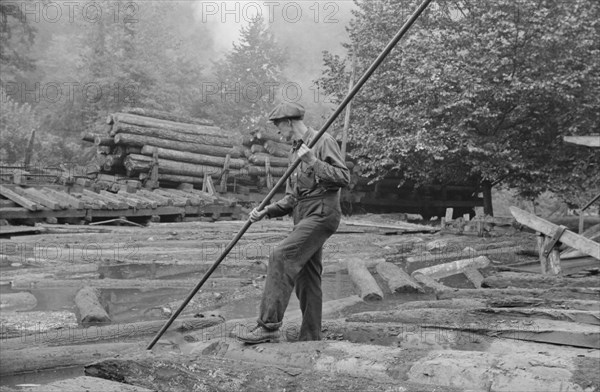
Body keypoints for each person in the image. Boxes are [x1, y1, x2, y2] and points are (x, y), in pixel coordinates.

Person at [234, 102, 350, 343]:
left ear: (288, 122)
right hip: (303, 215)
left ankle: (268, 326)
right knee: (308, 278)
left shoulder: (322, 140)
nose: (278, 133)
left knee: (281, 256)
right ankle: (311, 337)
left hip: (322, 213)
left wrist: (313, 161)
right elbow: (292, 197)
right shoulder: (294, 152)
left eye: (278, 127)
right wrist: (266, 211)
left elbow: (343, 178)